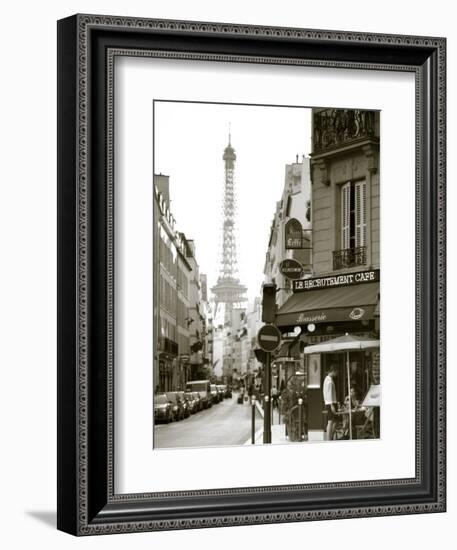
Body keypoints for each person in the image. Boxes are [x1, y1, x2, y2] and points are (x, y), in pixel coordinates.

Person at [323, 364, 338, 440]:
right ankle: (329, 439)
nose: (337, 374)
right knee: (330, 421)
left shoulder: (328, 379)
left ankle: (330, 437)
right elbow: (328, 393)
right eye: (336, 372)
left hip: (331, 402)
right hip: (330, 403)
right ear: (333, 371)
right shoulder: (328, 380)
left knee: (334, 421)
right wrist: (332, 405)